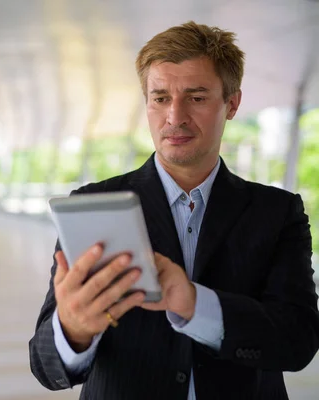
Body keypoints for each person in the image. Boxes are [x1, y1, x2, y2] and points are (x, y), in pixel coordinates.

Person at [29, 21, 319, 400]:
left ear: (231, 104)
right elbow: (44, 365)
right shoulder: (89, 205)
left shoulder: (277, 212)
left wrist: (196, 305)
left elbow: (297, 341)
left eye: (196, 98)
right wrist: (71, 329)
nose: (174, 117)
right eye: (160, 97)